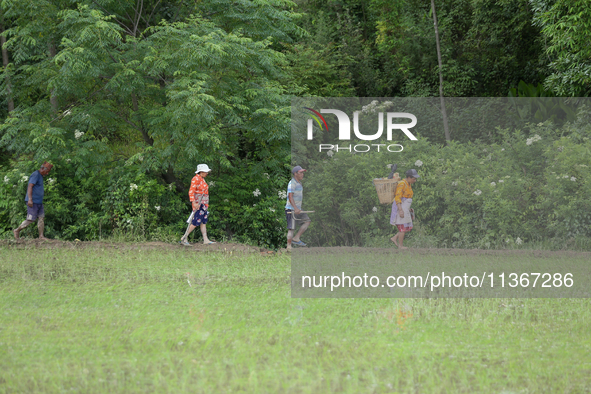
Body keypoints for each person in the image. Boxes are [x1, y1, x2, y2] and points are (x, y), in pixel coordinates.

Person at [13, 162, 54, 240]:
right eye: (47, 171)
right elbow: (30, 186)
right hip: (33, 201)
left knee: (41, 218)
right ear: (42, 168)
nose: (47, 173)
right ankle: (17, 230)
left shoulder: (41, 176)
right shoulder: (35, 174)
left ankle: (41, 236)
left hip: (39, 202)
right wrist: (30, 199)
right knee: (30, 219)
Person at [180, 164, 215, 246]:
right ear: (201, 172)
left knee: (203, 221)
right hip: (199, 203)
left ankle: (205, 239)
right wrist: (194, 202)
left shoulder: (202, 179)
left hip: (204, 203)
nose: (207, 173)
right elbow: (191, 191)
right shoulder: (195, 179)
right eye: (206, 172)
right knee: (196, 221)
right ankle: (184, 237)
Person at [390, 169, 419, 249]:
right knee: (402, 227)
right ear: (409, 177)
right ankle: (401, 246)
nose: (415, 180)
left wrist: (407, 209)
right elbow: (398, 197)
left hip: (405, 207)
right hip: (401, 207)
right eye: (414, 179)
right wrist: (400, 210)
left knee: (407, 226)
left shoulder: (408, 184)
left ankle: (395, 238)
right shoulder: (402, 184)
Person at [285, 165, 311, 250]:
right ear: (295, 173)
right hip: (291, 209)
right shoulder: (292, 183)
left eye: (303, 173)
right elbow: (290, 196)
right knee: (291, 228)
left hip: (298, 209)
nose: (302, 174)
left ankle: (296, 238)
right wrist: (295, 208)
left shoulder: (299, 183)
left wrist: (297, 208)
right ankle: (288, 247)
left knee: (307, 221)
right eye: (301, 173)